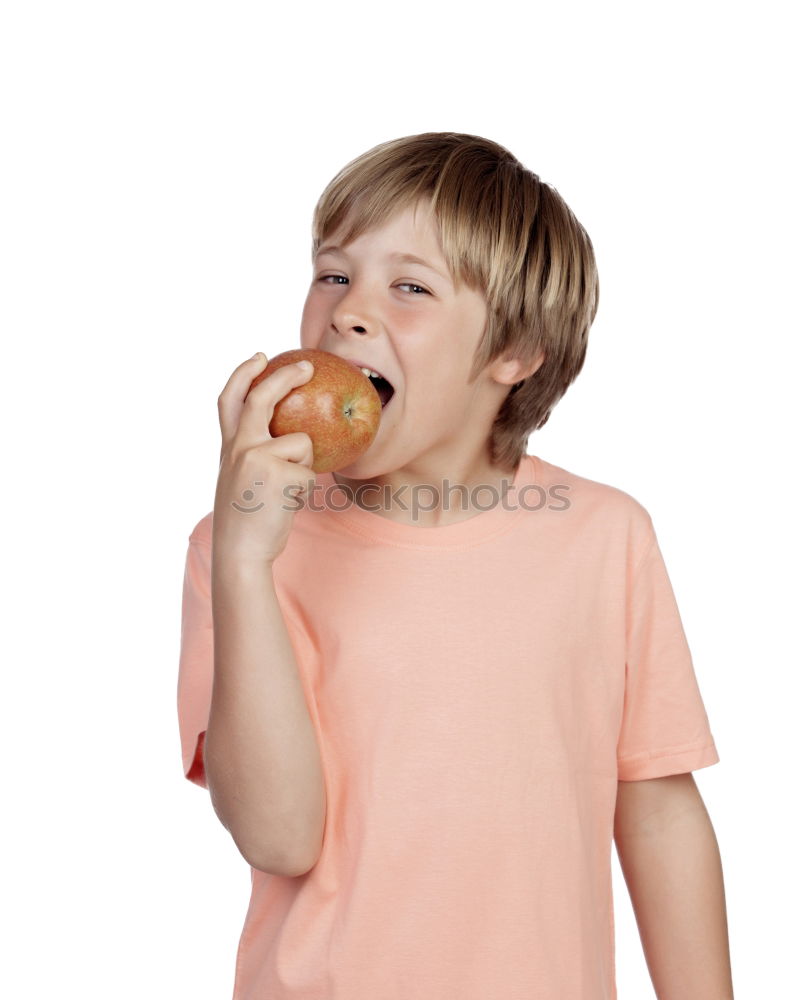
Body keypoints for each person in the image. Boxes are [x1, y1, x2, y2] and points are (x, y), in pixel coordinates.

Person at [177, 132, 734, 998]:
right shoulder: (237, 548)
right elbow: (279, 837)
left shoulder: (602, 537)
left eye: (408, 287)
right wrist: (247, 564)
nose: (348, 311)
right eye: (333, 273)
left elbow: (657, 812)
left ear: (514, 352)